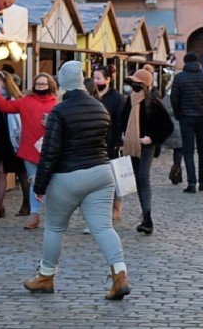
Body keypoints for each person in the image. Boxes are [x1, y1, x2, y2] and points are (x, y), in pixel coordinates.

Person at [22, 61, 131, 300]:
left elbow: (50, 152)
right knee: (103, 227)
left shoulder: (58, 111)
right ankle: (119, 275)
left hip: (68, 176)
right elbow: (106, 142)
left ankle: (46, 276)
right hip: (101, 173)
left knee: (54, 228)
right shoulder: (100, 108)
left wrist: (39, 186)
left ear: (61, 83)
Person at [0, 72, 58, 228]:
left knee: (53, 185)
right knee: (33, 182)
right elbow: (4, 106)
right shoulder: (26, 101)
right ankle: (34, 215)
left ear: (50, 86)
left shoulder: (56, 104)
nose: (41, 87)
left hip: (51, 150)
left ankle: (54, 216)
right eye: (38, 85)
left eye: (43, 85)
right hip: (30, 150)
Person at [119, 65, 173, 235]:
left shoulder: (153, 102)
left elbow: (167, 126)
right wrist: (122, 136)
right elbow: (123, 120)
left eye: (136, 83)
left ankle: (147, 217)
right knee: (138, 180)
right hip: (131, 145)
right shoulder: (129, 100)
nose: (133, 86)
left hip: (146, 147)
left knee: (144, 177)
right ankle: (145, 216)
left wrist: (152, 138)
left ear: (144, 85)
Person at [0, 70, 29, 219]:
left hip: (15, 140)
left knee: (22, 174)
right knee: (1, 173)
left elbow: (20, 123)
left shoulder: (15, 99)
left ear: (5, 83)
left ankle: (26, 204)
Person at [171, 52, 203, 193]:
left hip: (186, 117)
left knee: (188, 151)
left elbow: (174, 99)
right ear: (198, 61)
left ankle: (191, 183)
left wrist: (179, 114)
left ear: (185, 62)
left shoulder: (179, 78)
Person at [93, 63, 127, 220]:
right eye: (94, 77)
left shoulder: (116, 98)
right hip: (95, 141)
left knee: (114, 175)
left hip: (112, 141)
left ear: (107, 80)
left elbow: (121, 121)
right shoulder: (92, 96)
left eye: (98, 78)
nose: (95, 81)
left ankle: (116, 207)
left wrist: (119, 141)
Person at [161, 77, 184, 185]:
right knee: (179, 151)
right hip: (180, 126)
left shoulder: (166, 97)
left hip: (171, 127)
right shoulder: (182, 96)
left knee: (177, 151)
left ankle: (176, 172)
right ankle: (176, 171)